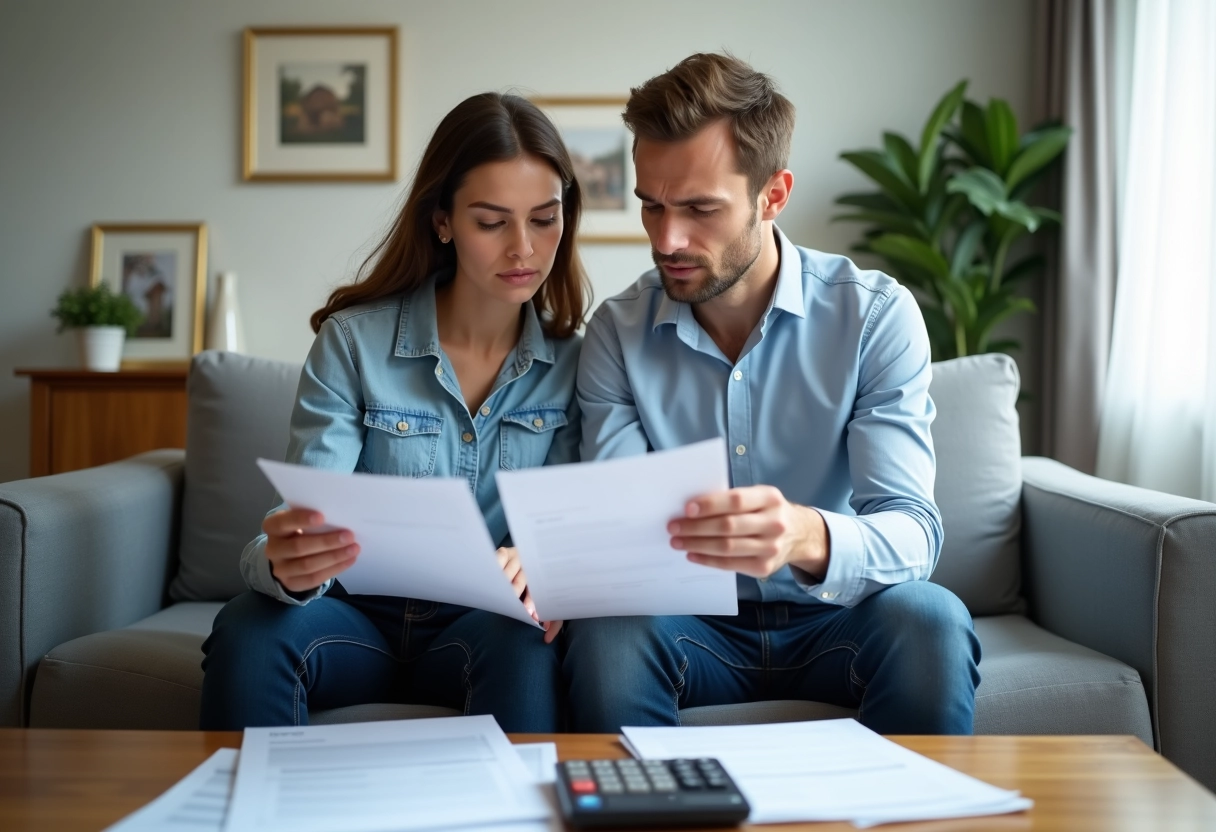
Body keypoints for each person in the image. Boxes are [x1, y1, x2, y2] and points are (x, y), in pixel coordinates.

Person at [563, 53, 981, 734]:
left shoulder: (874, 316)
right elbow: (619, 531)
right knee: (608, 635)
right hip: (690, 626)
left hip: (840, 619)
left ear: (773, 195)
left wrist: (802, 535)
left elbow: (913, 534)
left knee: (932, 618)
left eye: (701, 209)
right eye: (651, 205)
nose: (667, 238)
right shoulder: (618, 330)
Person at [200, 92, 589, 731]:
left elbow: (573, 525)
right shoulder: (352, 343)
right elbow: (298, 515)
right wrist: (287, 561)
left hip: (482, 626)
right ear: (443, 221)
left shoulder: (580, 362)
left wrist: (542, 558)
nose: (524, 247)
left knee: (528, 647)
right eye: (492, 222)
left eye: (544, 219)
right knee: (249, 629)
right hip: (353, 615)